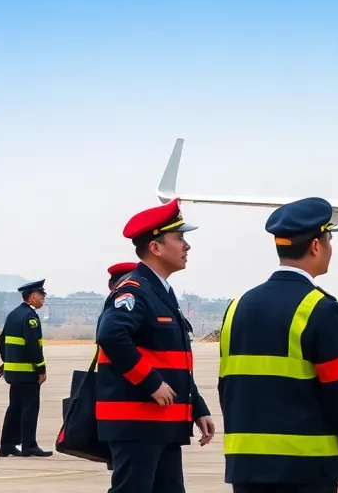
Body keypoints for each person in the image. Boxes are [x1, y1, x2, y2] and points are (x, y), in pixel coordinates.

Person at [217, 196, 338, 492]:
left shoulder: (237, 307)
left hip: (246, 464)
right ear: (316, 245)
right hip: (306, 466)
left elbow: (228, 385)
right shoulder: (319, 308)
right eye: (328, 240)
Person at [95, 199, 215, 493]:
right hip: (138, 421)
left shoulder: (160, 291)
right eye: (179, 238)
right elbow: (111, 334)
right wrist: (150, 382)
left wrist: (196, 406)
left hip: (163, 420)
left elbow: (171, 360)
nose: (187, 246)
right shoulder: (134, 290)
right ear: (156, 247)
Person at [0, 279, 51, 457]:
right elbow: (32, 345)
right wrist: (41, 368)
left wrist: (7, 362)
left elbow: (1, 341)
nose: (43, 300)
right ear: (32, 297)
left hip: (14, 373)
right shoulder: (30, 317)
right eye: (42, 296)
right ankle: (29, 445)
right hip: (27, 373)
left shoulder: (14, 314)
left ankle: (7, 445)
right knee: (29, 408)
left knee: (15, 407)